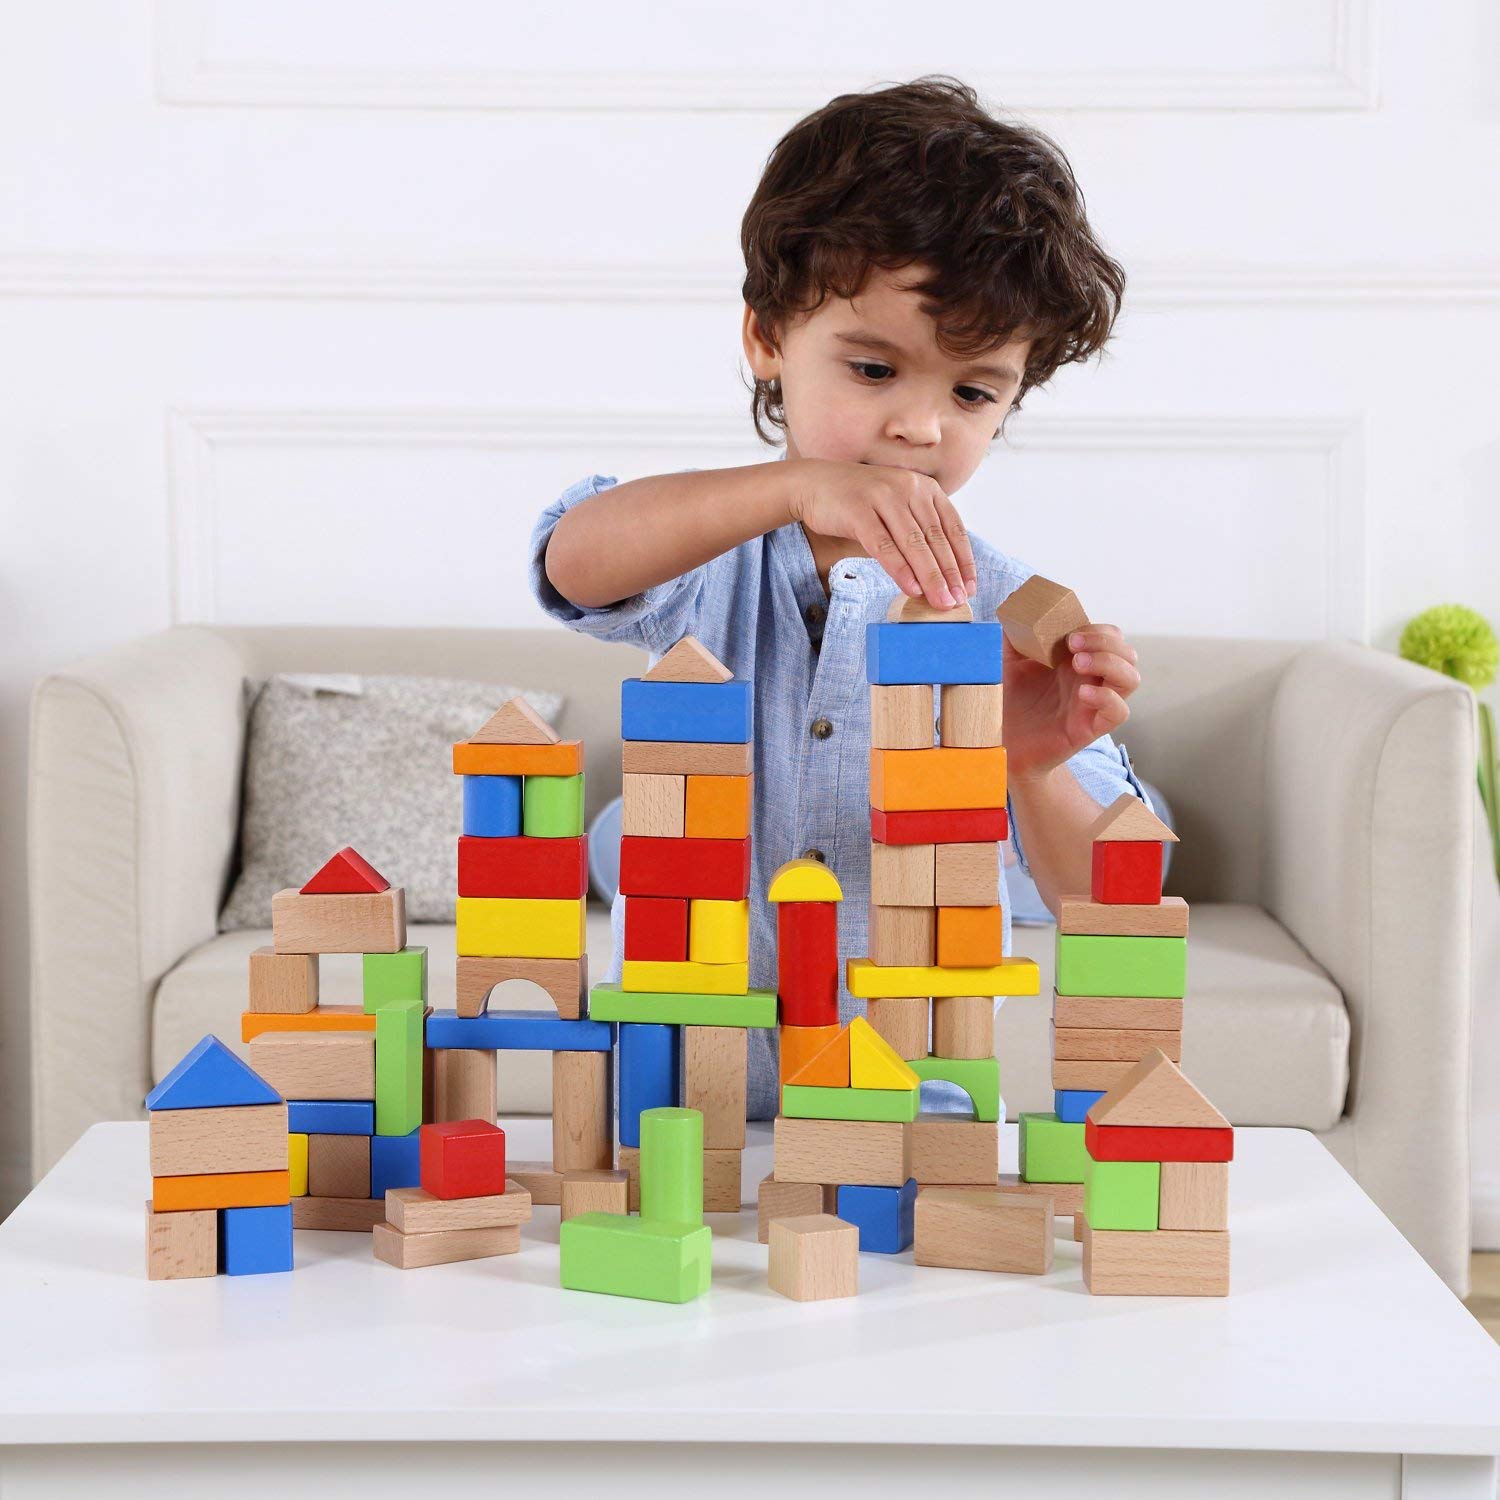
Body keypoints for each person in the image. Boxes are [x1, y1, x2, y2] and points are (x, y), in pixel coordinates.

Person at [530, 77, 1147, 1118]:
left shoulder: (1010, 613)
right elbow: (572, 562)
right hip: (689, 1098)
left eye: (973, 391)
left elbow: (1102, 905)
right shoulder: (707, 552)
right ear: (769, 339)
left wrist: (1029, 768)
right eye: (873, 368)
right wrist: (795, 485)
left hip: (911, 1103)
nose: (920, 426)